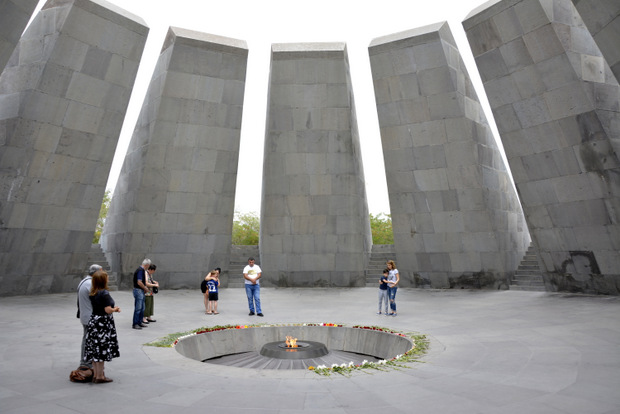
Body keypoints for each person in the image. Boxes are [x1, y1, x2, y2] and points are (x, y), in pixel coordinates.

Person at [84, 270, 120, 383]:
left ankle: (95, 374)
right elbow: (107, 310)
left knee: (95, 349)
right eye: (107, 278)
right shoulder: (104, 293)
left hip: (94, 321)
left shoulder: (93, 292)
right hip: (102, 324)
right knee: (101, 349)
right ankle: (100, 376)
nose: (108, 279)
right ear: (103, 281)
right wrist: (115, 309)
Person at [77, 264, 102, 368]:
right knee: (88, 340)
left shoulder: (84, 282)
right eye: (101, 272)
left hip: (85, 315)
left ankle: (87, 361)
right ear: (95, 273)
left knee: (87, 339)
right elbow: (98, 301)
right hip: (89, 317)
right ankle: (85, 362)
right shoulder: (90, 284)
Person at [132, 258, 151, 329]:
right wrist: (145, 288)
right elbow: (139, 282)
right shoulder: (140, 270)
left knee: (142, 307)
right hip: (138, 290)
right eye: (148, 266)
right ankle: (135, 323)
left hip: (140, 290)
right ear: (147, 265)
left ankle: (139, 322)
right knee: (138, 308)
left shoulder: (141, 270)